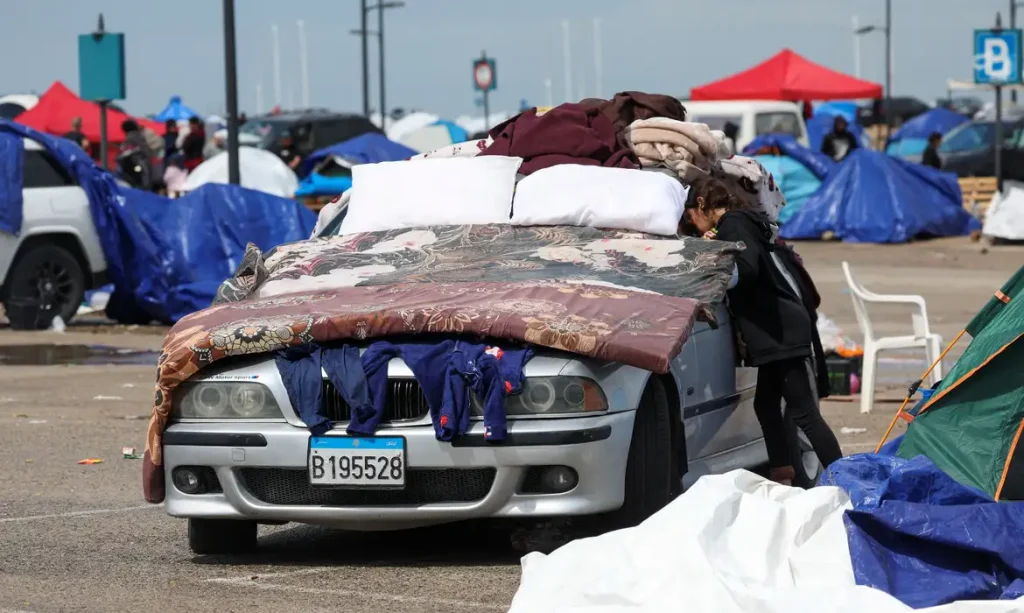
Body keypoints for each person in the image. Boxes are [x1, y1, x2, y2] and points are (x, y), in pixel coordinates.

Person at [683, 177, 843, 484]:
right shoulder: (744, 222)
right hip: (778, 327)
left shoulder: (734, 224)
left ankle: (847, 481)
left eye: (691, 219)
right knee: (766, 404)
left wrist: (712, 276)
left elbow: (749, 268)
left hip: (778, 329)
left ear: (700, 205)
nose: (693, 227)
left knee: (804, 413)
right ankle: (783, 474)